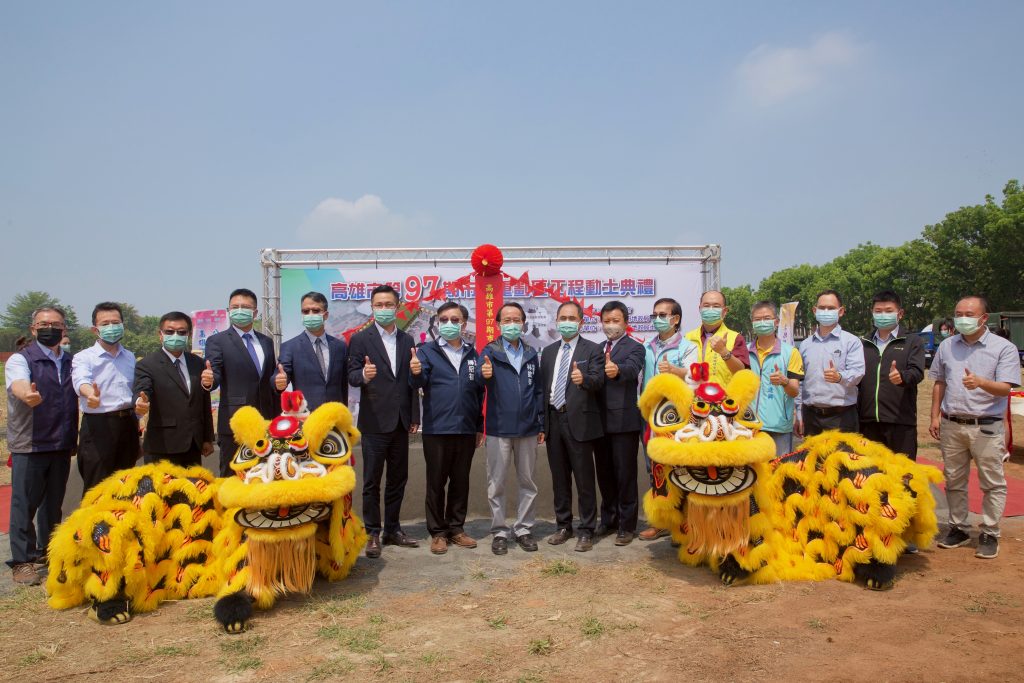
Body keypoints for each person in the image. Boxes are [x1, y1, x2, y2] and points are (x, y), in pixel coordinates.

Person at [929, 296, 1021, 559]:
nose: (962, 319)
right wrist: (934, 416)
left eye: (969, 314)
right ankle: (958, 527)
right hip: (952, 424)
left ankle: (990, 532)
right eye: (958, 314)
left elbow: (1005, 388)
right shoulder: (947, 346)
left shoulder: (1003, 348)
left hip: (986, 426)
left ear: (983, 318)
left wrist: (981, 382)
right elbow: (939, 382)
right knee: (954, 480)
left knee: (992, 482)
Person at [5, 306, 78, 585]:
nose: (50, 329)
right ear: (33, 329)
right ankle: (22, 561)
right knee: (24, 503)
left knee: (53, 505)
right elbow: (19, 385)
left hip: (61, 443)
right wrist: (27, 395)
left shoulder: (70, 361)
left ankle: (49, 553)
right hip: (30, 443)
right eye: (43, 324)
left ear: (64, 329)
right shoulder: (21, 359)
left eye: (56, 325)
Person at [347, 284, 421, 557]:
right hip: (374, 421)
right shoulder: (360, 340)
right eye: (378, 305)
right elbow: (351, 375)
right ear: (372, 307)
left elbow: (411, 381)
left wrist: (414, 416)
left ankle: (393, 529)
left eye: (389, 304)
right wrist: (364, 375)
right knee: (371, 481)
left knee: (398, 479)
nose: (384, 309)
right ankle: (372, 532)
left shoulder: (407, 340)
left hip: (401, 421)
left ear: (397, 307)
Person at [410, 302, 485, 555]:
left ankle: (456, 529)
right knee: (436, 482)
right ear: (437, 323)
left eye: (455, 319)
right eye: (444, 319)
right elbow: (418, 382)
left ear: (464, 324)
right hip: (437, 428)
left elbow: (478, 392)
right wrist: (415, 372)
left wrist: (478, 426)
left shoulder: (473, 354)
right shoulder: (427, 351)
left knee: (460, 481)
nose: (449, 324)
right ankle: (438, 533)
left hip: (465, 428)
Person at [478, 302, 544, 555]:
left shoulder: (531, 353)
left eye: (517, 320)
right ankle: (499, 531)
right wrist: (483, 374)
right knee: (496, 484)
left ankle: (524, 529)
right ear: (498, 324)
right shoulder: (490, 352)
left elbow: (538, 390)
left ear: (523, 323)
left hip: (528, 428)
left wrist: (540, 422)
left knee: (528, 482)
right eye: (507, 320)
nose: (512, 324)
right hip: (498, 428)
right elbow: (476, 382)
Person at [540, 300, 605, 552]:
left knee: (584, 479)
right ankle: (563, 526)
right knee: (559, 478)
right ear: (556, 321)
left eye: (571, 318)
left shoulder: (593, 349)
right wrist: (542, 423)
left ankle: (586, 530)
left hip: (580, 422)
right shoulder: (548, 352)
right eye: (562, 318)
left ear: (581, 322)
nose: (566, 322)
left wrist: (584, 378)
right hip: (553, 420)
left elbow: (599, 380)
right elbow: (542, 390)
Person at [201, 288, 281, 476]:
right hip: (235, 423)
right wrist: (209, 381)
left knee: (264, 477)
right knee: (233, 478)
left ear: (255, 312)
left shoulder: (266, 342)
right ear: (228, 310)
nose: (239, 310)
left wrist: (278, 383)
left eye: (245, 307)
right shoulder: (217, 341)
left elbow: (269, 379)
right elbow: (215, 374)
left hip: (265, 422)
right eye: (235, 307)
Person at [637, 297, 697, 541]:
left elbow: (697, 377)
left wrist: (676, 371)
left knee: (680, 468)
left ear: (676, 319)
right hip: (650, 417)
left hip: (676, 419)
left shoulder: (688, 346)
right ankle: (661, 521)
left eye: (663, 315)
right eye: (655, 315)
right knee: (654, 469)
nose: (657, 319)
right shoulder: (646, 346)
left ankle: (684, 523)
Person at [72, 302, 140, 492]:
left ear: (123, 325)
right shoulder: (84, 357)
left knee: (126, 487)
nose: (111, 327)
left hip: (128, 424)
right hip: (98, 426)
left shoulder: (130, 357)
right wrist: (90, 394)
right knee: (97, 488)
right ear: (95, 329)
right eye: (105, 323)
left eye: (116, 322)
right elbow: (80, 381)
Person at [594, 301, 646, 545]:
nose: (611, 325)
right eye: (606, 321)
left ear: (626, 322)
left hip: (624, 422)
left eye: (615, 321)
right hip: (598, 422)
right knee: (604, 474)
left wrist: (618, 370)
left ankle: (627, 525)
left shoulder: (635, 347)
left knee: (625, 475)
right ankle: (609, 519)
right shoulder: (596, 348)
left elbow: (632, 369)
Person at [132, 312, 214, 468]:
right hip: (163, 446)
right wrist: (140, 401)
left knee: (193, 484)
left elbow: (204, 402)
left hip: (193, 445)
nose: (175, 336)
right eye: (170, 332)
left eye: (181, 332)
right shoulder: (147, 365)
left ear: (189, 335)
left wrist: (207, 438)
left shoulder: (198, 363)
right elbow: (142, 389)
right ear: (160, 335)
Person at [858, 291, 926, 459]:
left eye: (888, 311)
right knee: (870, 472)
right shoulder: (863, 343)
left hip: (900, 422)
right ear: (872, 313)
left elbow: (917, 372)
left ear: (900, 314)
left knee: (902, 473)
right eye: (878, 311)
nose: (883, 315)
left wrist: (902, 377)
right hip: (867, 423)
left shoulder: (912, 341)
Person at [796, 290, 865, 437]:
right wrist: (799, 413)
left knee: (842, 453)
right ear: (815, 311)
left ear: (841, 311)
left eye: (831, 308)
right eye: (822, 308)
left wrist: (839, 377)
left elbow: (858, 373)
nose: (826, 311)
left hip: (841, 417)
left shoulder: (851, 342)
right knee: (811, 453)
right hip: (811, 416)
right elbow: (800, 382)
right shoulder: (805, 345)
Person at [748, 301, 803, 455]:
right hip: (750, 426)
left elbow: (794, 391)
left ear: (776, 322)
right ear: (752, 323)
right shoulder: (744, 352)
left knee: (779, 467)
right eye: (757, 319)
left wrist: (785, 382)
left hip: (779, 428)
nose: (762, 322)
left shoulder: (790, 353)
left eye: (767, 318)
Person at [278, 291, 349, 410]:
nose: (310, 315)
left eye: (316, 311)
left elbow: (344, 385)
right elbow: (280, 375)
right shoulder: (290, 347)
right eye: (306, 311)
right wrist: (279, 381)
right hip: (305, 415)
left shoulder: (340, 347)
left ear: (326, 315)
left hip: (335, 414)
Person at [684, 290, 750, 387]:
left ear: (725, 311)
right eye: (706, 306)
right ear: (700, 309)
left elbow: (742, 373)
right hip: (693, 395)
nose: (710, 309)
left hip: (723, 396)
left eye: (716, 306)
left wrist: (724, 352)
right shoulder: (687, 338)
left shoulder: (735, 338)